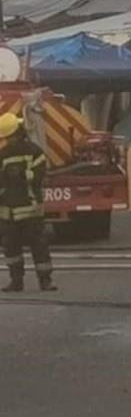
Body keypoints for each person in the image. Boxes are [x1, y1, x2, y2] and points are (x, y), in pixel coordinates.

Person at [0, 113, 54, 293]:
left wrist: (20, 176)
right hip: (9, 211)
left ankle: (45, 280)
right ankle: (16, 281)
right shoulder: (4, 155)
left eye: (9, 137)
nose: (8, 140)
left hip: (29, 208)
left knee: (38, 245)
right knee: (11, 248)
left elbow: (39, 175)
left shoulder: (34, 151)